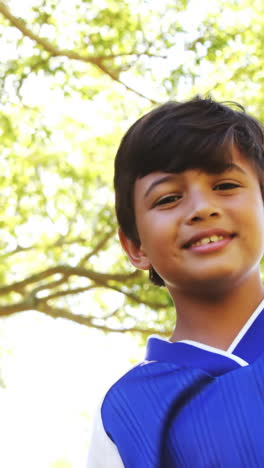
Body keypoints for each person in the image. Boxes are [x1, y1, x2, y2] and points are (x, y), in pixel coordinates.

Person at [87, 96, 264, 467]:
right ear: (135, 246)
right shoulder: (127, 412)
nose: (201, 208)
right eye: (168, 198)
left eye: (226, 185)